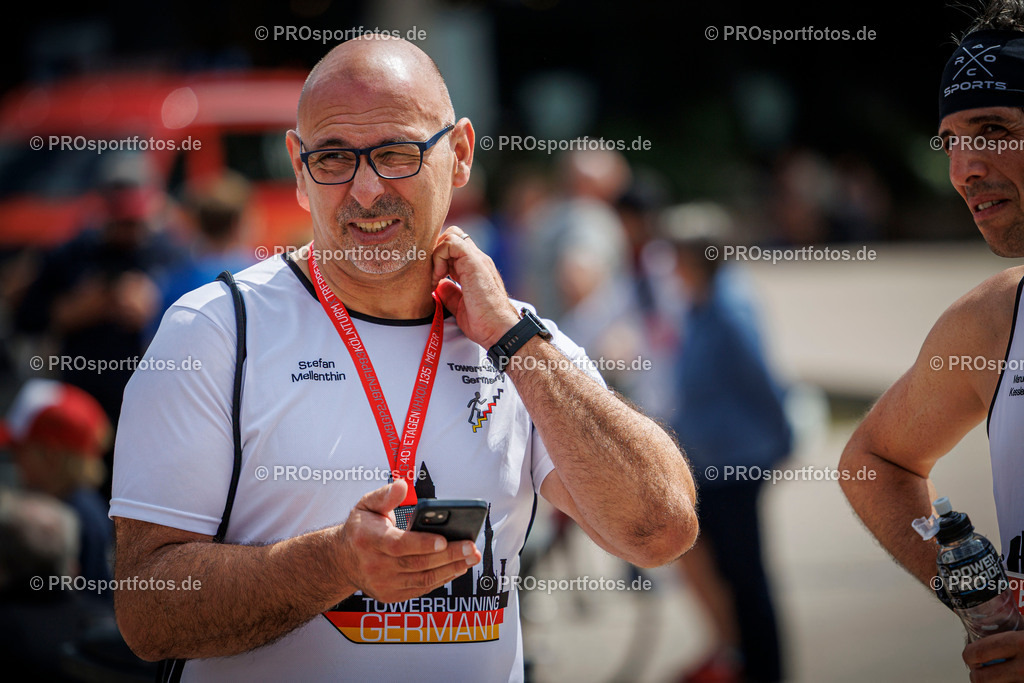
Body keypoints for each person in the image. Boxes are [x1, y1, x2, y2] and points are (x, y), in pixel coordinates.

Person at [109, 35, 698, 682]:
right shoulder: (216, 332)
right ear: (298, 169)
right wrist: (336, 563)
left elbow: (660, 529)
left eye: (396, 153)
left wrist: (512, 337)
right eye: (333, 157)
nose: (365, 191)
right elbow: (147, 610)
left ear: (461, 154)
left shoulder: (518, 342)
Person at [838, 1, 1024, 678]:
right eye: (952, 139)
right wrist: (985, 604)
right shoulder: (995, 318)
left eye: (995, 129)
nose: (964, 168)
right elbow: (874, 462)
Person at [664, 203, 791, 683]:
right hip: (712, 461)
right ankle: (740, 661)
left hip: (736, 465)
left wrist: (783, 437)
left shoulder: (728, 307)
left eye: (675, 253)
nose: (668, 264)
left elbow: (761, 379)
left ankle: (766, 671)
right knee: (726, 574)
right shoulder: (700, 299)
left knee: (746, 578)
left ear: (697, 256)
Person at [13, 161, 185, 497]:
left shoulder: (170, 254)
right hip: (84, 400)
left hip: (150, 401)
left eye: (136, 221)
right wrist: (71, 311)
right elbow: (25, 319)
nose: (129, 231)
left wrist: (155, 311)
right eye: (122, 221)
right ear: (105, 213)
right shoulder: (72, 253)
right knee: (83, 499)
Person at [2, 378, 113, 590]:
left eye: (19, 449)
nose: (14, 461)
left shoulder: (79, 520)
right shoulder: (78, 504)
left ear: (50, 456)